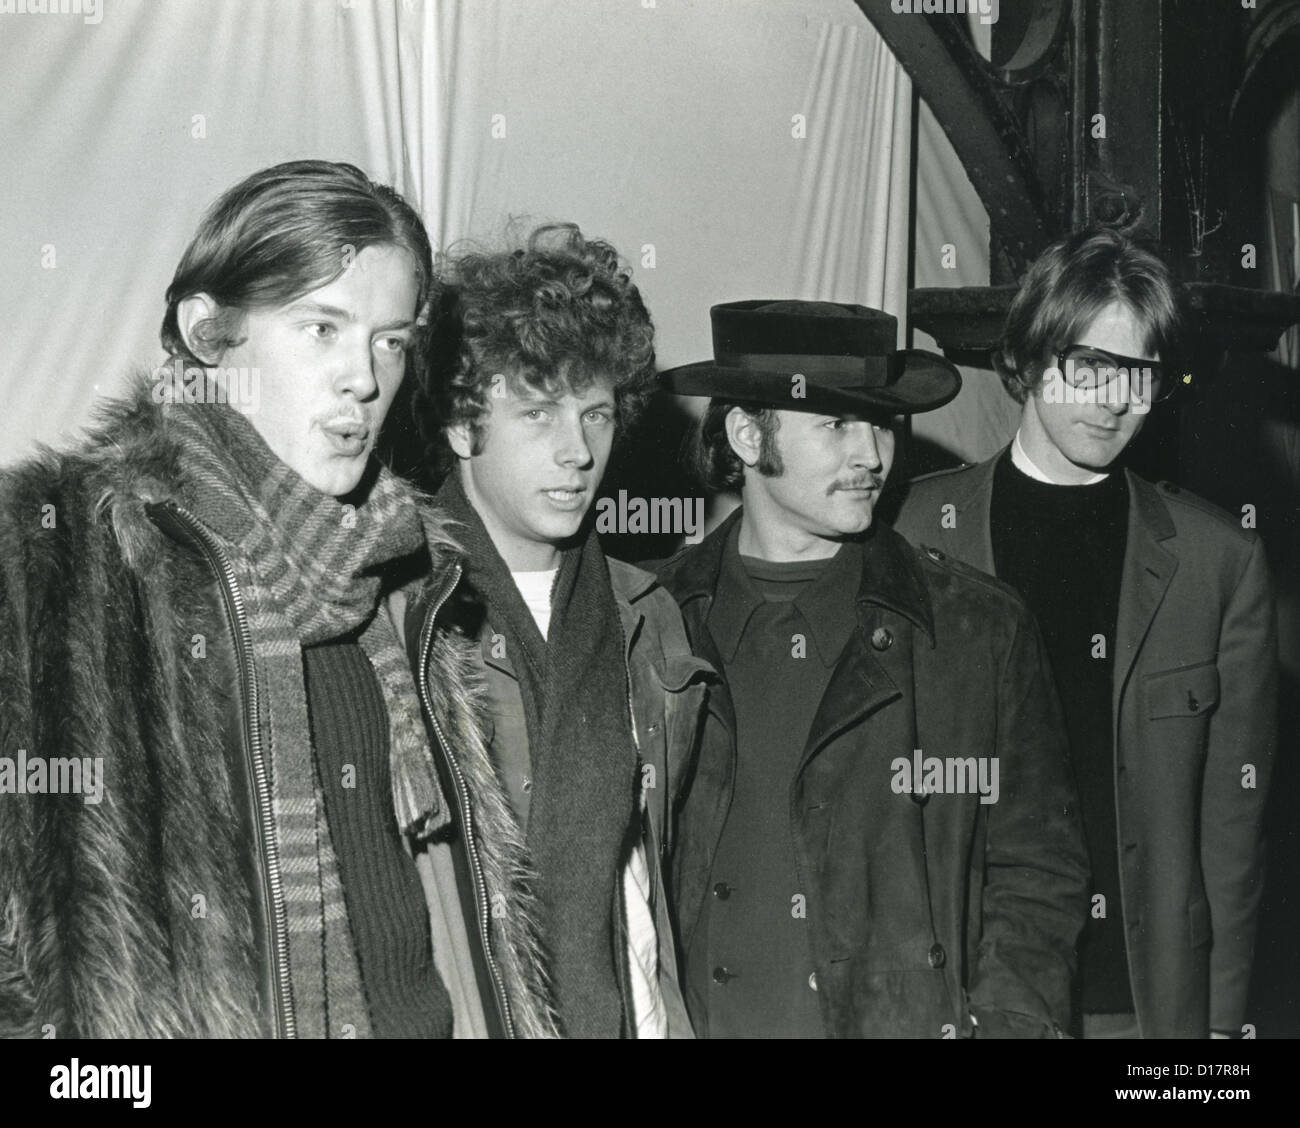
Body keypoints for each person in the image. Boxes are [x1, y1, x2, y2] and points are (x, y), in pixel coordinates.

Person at [0, 160, 555, 1038]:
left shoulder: (409, 575)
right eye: (320, 329)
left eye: (390, 340)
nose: (363, 381)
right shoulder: (52, 559)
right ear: (208, 334)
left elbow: (457, 908)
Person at [656, 299, 1089, 1038]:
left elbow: (1038, 868)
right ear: (746, 432)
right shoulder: (653, 621)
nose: (872, 456)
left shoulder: (973, 628)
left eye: (880, 423)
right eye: (835, 425)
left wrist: (1010, 1023)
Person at [893, 227, 1277, 1039]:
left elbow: (1233, 832)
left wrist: (1218, 1031)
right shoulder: (913, 531)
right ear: (1029, 363)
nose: (1112, 402)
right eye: (1089, 368)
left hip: (1143, 1006)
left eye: (1138, 376)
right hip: (962, 996)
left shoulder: (1219, 562)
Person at [412, 223, 709, 1038]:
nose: (578, 451)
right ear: (460, 424)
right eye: (538, 414)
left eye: (598, 414)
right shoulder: (405, 623)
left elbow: (648, 886)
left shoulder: (645, 616)